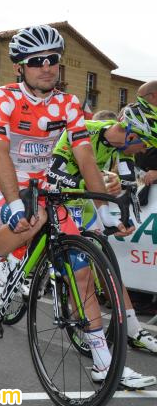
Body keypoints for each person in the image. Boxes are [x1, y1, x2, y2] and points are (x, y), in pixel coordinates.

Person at [0, 24, 150, 388]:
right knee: (29, 215)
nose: (47, 66)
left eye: (52, 59)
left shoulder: (68, 104)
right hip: (0, 184)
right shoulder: (3, 97)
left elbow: (85, 156)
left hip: (43, 189)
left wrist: (105, 208)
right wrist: (13, 202)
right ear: (19, 67)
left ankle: (105, 363)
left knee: (81, 274)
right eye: (36, 61)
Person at [46, 106, 157, 360]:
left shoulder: (123, 151)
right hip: (60, 201)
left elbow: (128, 186)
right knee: (77, 272)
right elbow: (53, 172)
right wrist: (92, 182)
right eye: (144, 144)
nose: (144, 152)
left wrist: (124, 218)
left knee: (109, 268)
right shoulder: (82, 130)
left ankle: (133, 330)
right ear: (131, 135)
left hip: (86, 206)